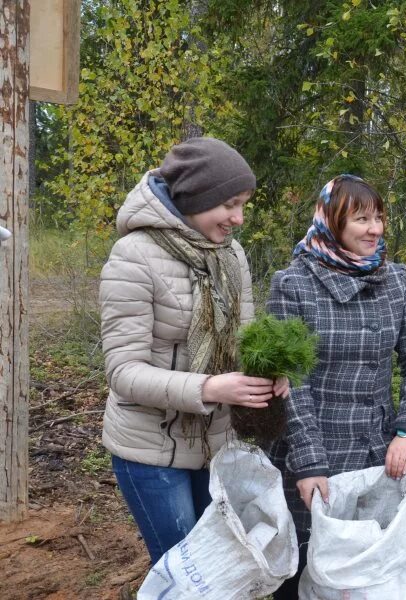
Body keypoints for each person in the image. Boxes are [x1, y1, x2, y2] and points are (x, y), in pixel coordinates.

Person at [100, 137, 288, 565]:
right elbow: (123, 371)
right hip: (150, 451)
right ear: (197, 197)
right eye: (229, 204)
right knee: (184, 570)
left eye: (244, 205)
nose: (238, 218)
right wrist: (210, 388)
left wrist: (266, 371)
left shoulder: (230, 255)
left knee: (216, 565)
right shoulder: (133, 256)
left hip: (216, 445)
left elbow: (244, 337)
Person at [266, 174, 406, 599]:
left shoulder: (396, 281)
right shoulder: (292, 285)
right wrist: (309, 465)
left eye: (378, 217)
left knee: (364, 572)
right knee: (303, 567)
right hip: (312, 455)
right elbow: (290, 384)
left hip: (376, 454)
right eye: (361, 219)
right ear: (331, 222)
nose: (375, 229)